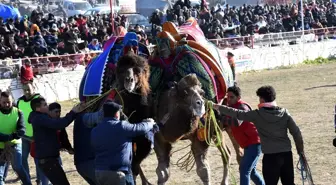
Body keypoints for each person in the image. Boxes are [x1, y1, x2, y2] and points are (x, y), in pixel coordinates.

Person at [213, 85, 304, 185]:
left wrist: (217, 107)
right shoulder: (285, 113)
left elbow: (238, 114)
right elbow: (297, 133)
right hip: (286, 155)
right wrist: (300, 152)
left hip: (270, 157)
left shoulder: (257, 114)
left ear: (262, 99)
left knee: (260, 178)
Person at [91, 101, 156, 185]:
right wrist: (149, 123)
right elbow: (139, 128)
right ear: (116, 114)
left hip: (99, 172)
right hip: (117, 172)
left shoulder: (95, 130)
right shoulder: (121, 126)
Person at [28, 97, 83, 185]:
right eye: (45, 105)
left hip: (50, 160)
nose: (47, 106)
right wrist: (73, 112)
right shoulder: (39, 119)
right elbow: (60, 124)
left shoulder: (42, 117)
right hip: (48, 161)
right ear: (38, 108)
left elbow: (60, 129)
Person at [222, 86, 264, 185]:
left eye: (231, 97)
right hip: (249, 144)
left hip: (254, 143)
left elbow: (236, 122)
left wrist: (220, 117)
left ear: (238, 97)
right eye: (227, 97)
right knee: (251, 172)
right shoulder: (232, 108)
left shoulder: (242, 107)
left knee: (244, 170)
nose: (228, 99)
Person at [0, 92, 31, 185]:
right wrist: (6, 138)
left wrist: (13, 136)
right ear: (0, 101)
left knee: (18, 166)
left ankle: (27, 183)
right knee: (0, 173)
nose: (6, 104)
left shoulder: (18, 112)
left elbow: (22, 129)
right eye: (4, 102)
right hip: (1, 146)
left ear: (12, 100)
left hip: (14, 144)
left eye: (8, 102)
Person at [17, 83, 41, 185]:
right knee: (22, 159)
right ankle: (27, 180)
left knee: (38, 160)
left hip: (37, 137)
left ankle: (39, 180)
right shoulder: (20, 101)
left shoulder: (39, 99)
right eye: (24, 89)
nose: (26, 92)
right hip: (25, 136)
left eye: (28, 89)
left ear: (33, 88)